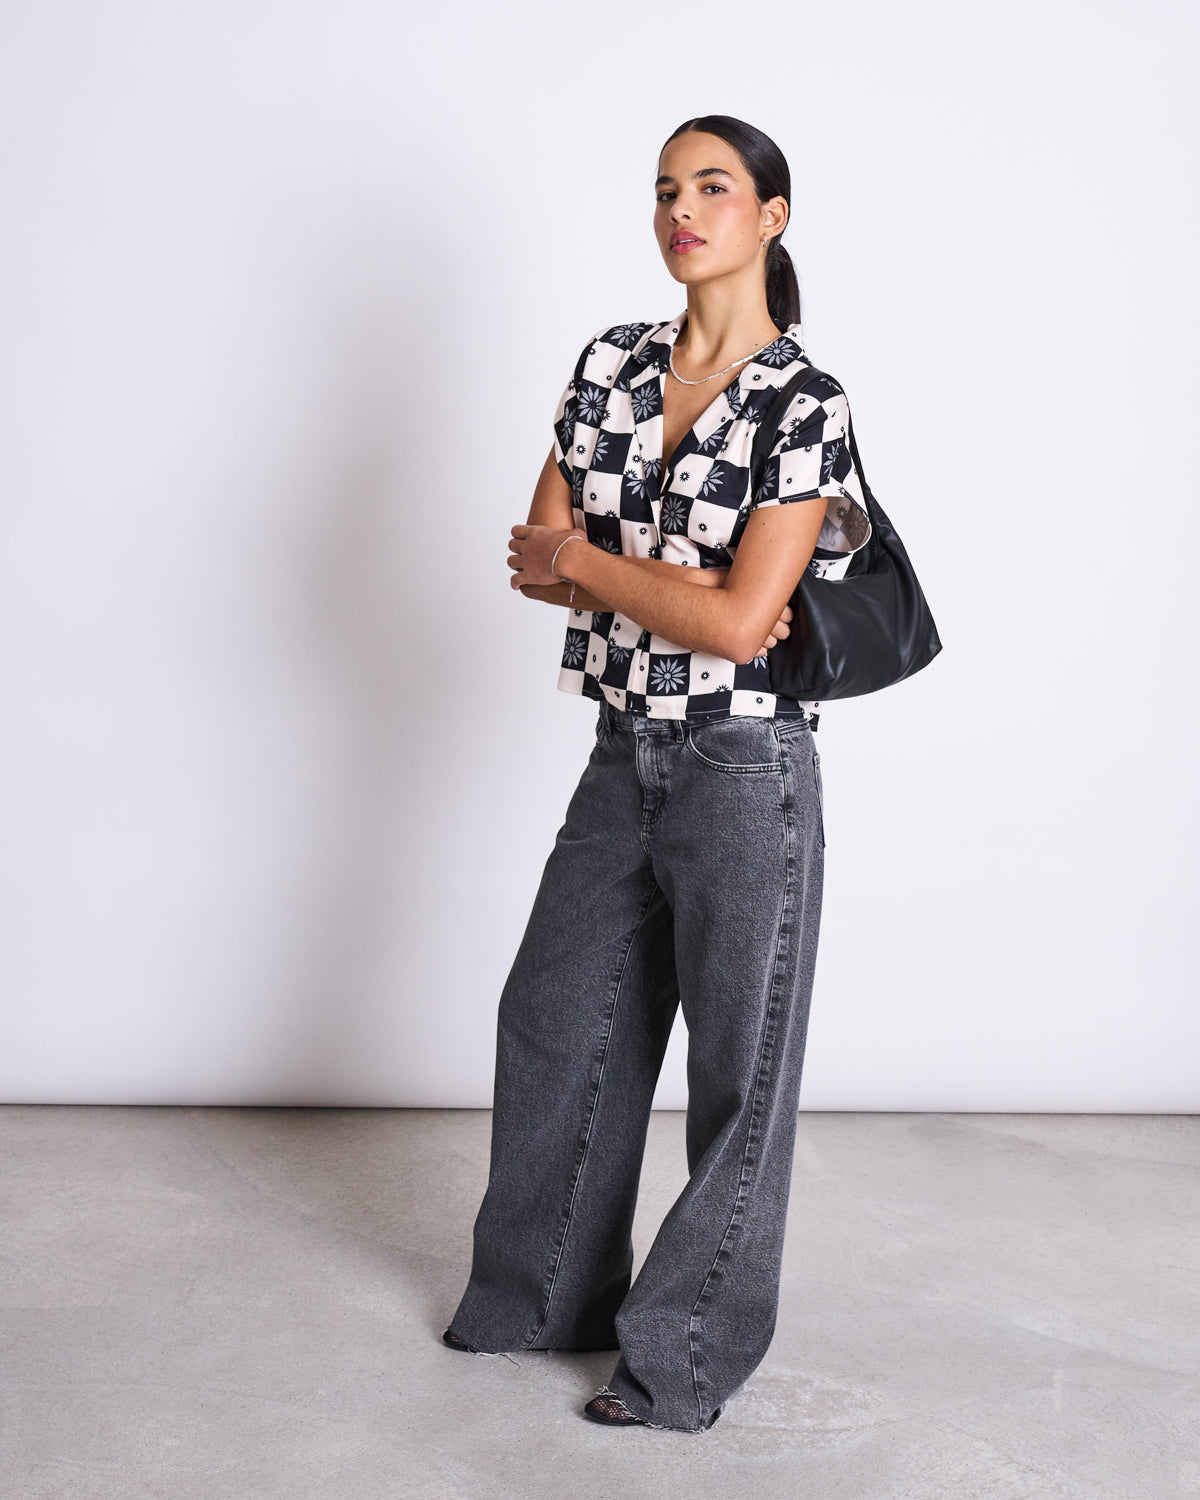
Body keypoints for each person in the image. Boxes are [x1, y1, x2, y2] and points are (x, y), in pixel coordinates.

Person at [443, 114, 872, 1433]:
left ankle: (680, 1358)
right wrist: (654, 583)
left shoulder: (805, 400)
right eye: (666, 190)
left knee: (742, 1069)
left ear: (773, 215)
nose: (683, 210)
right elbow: (532, 550)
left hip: (747, 765)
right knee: (553, 1013)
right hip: (622, 749)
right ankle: (543, 1299)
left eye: (715, 188)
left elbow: (743, 629)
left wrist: (604, 569)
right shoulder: (611, 365)